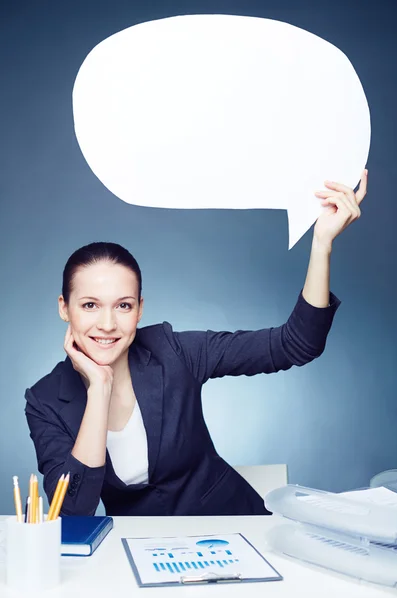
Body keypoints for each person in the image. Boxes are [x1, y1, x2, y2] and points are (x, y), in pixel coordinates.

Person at [25, 172, 367, 516]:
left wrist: (322, 243)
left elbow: (295, 344)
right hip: (140, 550)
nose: (108, 324)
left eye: (123, 305)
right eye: (90, 305)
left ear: (140, 309)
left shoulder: (174, 351)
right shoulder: (45, 400)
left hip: (233, 527)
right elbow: (73, 509)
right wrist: (99, 389)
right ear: (63, 308)